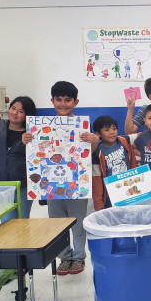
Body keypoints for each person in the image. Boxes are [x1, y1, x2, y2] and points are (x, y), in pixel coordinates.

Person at [48, 81, 99, 276]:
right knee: (57, 221)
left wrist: (94, 142)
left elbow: (89, 152)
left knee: (78, 220)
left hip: (77, 182)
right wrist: (29, 139)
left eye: (67, 100)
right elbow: (36, 152)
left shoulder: (83, 126)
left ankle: (78, 256)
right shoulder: (43, 127)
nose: (63, 104)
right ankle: (64, 256)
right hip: (51, 184)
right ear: (52, 101)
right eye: (58, 100)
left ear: (75, 102)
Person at [92, 115, 138, 210]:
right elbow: (96, 182)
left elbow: (142, 135)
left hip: (128, 190)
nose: (112, 132)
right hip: (110, 196)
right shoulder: (97, 153)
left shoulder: (124, 141)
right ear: (98, 134)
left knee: (130, 218)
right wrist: (99, 205)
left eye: (114, 128)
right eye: (107, 130)